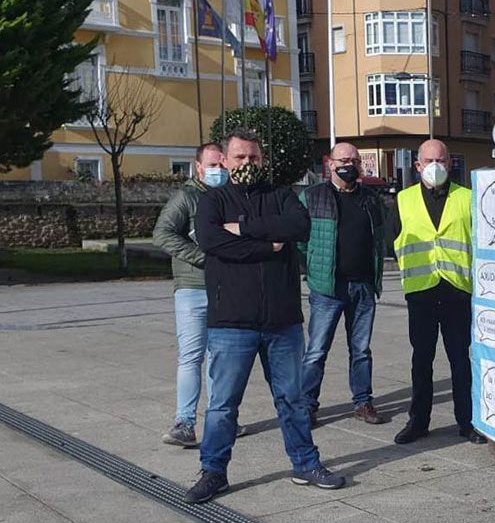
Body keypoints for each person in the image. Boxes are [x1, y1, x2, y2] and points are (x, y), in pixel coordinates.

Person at [185, 129, 344, 504]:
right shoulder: (212, 201)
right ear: (224, 160)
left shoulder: (282, 195)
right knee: (223, 403)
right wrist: (267, 245)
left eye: (253, 157)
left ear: (263, 160)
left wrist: (242, 231)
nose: (247, 164)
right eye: (239, 157)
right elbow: (210, 241)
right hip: (231, 322)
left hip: (282, 320)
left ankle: (305, 463)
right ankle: (213, 471)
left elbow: (299, 227)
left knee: (292, 398)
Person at [392, 139, 487, 445]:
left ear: (450, 163)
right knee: (422, 359)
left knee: (461, 359)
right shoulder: (402, 200)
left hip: (457, 290)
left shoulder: (468, 198)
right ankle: (418, 422)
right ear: (417, 165)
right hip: (421, 291)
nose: (435, 166)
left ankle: (467, 422)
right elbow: (395, 242)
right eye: (429, 160)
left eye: (442, 160)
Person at [298, 143, 387, 426]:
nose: (349, 164)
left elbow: (379, 239)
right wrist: (311, 269)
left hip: (362, 286)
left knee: (361, 350)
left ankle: (362, 402)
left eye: (354, 160)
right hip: (328, 288)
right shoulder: (312, 197)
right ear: (331, 164)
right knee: (316, 351)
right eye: (343, 159)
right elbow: (299, 240)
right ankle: (307, 406)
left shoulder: (371, 199)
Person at [153, 143, 224, 447]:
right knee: (192, 355)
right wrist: (202, 258)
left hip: (225, 288)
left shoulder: (227, 196)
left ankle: (220, 419)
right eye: (212, 165)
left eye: (222, 165)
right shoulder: (186, 197)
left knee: (220, 358)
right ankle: (184, 421)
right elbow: (162, 233)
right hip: (193, 288)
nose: (218, 171)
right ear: (198, 166)